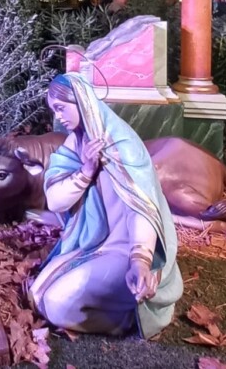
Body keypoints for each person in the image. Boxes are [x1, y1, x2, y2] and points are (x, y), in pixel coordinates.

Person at [27, 73, 181, 338]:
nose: (59, 116)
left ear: (82, 101)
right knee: (37, 294)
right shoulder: (75, 143)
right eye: (54, 110)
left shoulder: (123, 146)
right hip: (95, 244)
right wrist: (86, 172)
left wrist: (140, 261)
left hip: (129, 249)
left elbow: (142, 209)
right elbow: (54, 200)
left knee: (55, 305)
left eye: (62, 108)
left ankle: (126, 322)